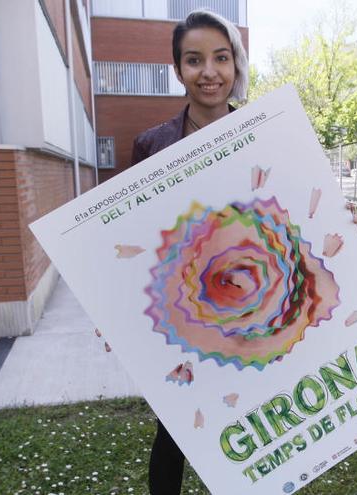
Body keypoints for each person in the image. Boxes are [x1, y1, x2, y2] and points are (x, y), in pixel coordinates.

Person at [129, 9, 248, 495]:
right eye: (194, 60)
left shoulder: (265, 133)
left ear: (235, 65)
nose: (209, 72)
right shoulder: (152, 146)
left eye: (221, 58)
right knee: (174, 425)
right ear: (178, 70)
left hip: (249, 297)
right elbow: (137, 237)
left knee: (249, 411)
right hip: (180, 307)